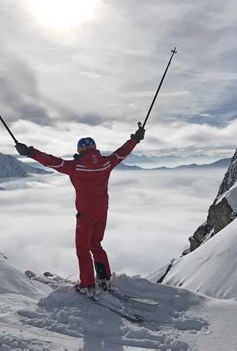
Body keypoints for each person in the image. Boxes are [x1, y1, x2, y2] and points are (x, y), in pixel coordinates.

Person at [16, 125, 145, 297]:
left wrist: (30, 152)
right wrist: (135, 138)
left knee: (82, 249)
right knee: (96, 244)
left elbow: (52, 161)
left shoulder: (75, 167)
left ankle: (87, 285)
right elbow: (122, 152)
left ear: (80, 150)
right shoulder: (106, 163)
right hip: (102, 212)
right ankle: (104, 278)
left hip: (85, 215)